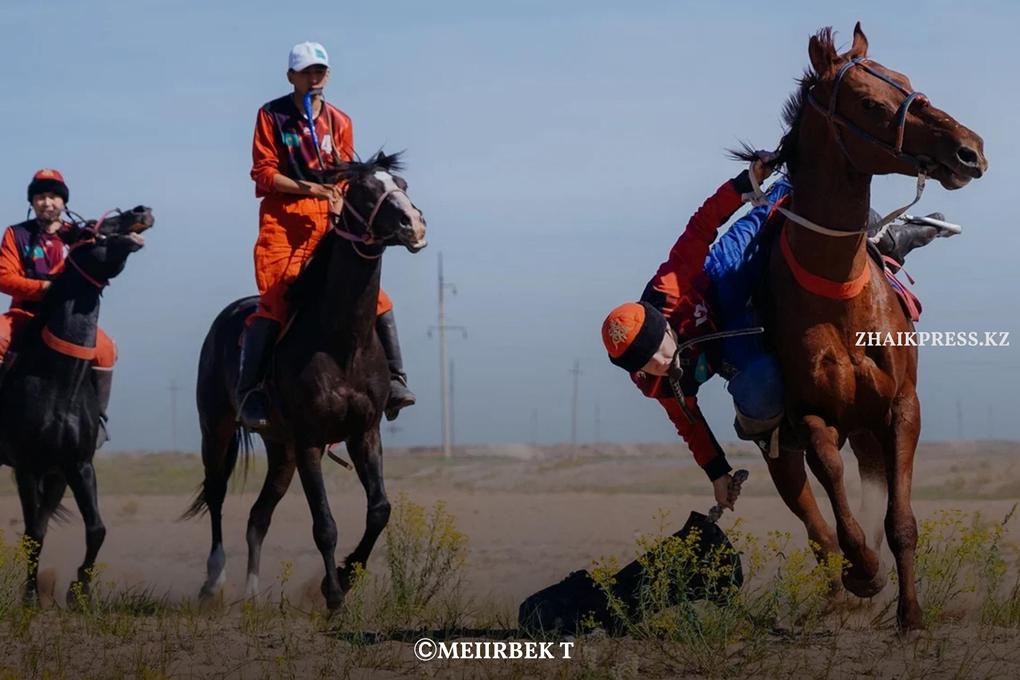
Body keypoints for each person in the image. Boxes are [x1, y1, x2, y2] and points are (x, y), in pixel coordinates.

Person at [601, 155, 952, 510]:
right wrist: (718, 473)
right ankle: (777, 434)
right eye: (649, 364)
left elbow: (702, 224)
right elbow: (690, 426)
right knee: (757, 387)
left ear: (664, 322)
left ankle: (892, 237)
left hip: (723, 279)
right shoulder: (657, 384)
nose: (662, 362)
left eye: (660, 349)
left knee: (792, 205)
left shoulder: (669, 287)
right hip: (727, 342)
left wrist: (745, 184)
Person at [239, 41, 415, 431]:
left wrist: (344, 203)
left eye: (319, 70)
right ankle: (251, 394)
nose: (314, 77)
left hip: (328, 220)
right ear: (291, 76)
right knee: (275, 301)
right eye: (305, 71)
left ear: (328, 74)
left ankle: (397, 381)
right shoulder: (271, 115)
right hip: (283, 221)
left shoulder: (340, 120)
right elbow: (264, 174)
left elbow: (347, 175)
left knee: (376, 299)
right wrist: (312, 189)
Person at [0, 169, 118, 446]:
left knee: (106, 350)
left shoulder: (78, 236)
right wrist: (43, 288)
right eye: (40, 196)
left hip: (68, 320)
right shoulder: (15, 234)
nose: (47, 202)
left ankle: (98, 420)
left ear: (63, 202)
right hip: (25, 314)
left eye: (53, 196)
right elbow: (4, 277)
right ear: (32, 202)